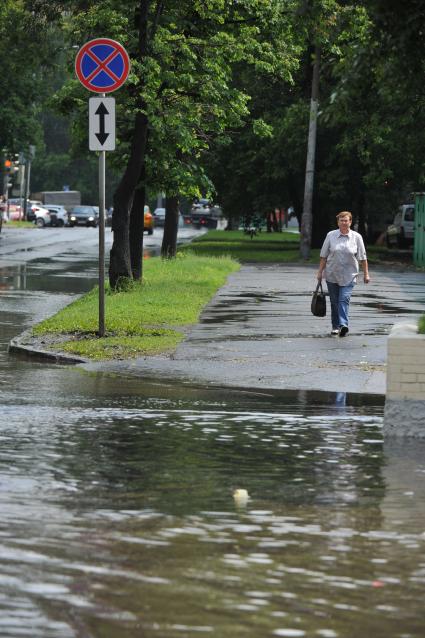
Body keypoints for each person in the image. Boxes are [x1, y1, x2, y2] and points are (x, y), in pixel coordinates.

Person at [317, 211, 370, 337]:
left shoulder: (357, 237)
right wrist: (320, 272)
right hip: (332, 274)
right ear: (338, 222)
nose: (344, 223)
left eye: (346, 220)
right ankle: (335, 326)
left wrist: (366, 274)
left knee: (344, 299)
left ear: (350, 222)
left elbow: (363, 257)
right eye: (341, 220)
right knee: (334, 302)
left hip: (349, 275)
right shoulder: (331, 235)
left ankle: (343, 325)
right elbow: (323, 256)